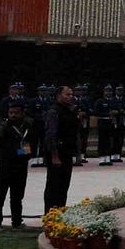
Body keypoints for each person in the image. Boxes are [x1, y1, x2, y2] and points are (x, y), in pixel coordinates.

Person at [0, 101, 36, 228]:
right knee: (0, 195)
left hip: (20, 166)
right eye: (11, 113)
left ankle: (17, 221)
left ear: (22, 113)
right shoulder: (2, 127)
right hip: (4, 166)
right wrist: (7, 156)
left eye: (16, 113)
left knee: (17, 195)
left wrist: (20, 153)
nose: (13, 115)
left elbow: (30, 147)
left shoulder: (26, 126)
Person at [41, 84, 82, 212]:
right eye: (67, 94)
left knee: (64, 186)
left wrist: (77, 153)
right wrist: (54, 156)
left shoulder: (70, 110)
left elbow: (74, 133)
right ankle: (50, 214)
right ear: (59, 96)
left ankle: (60, 212)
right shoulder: (54, 111)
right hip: (57, 153)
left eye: (72, 94)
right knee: (54, 186)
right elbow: (51, 135)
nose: (71, 97)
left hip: (67, 152)